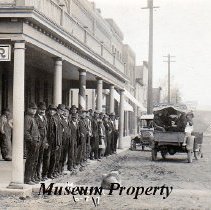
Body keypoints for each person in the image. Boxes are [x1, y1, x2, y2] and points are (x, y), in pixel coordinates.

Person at [24, 102, 40, 185]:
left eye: (35, 109)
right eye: (32, 109)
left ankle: (31, 177)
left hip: (35, 142)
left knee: (34, 161)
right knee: (30, 161)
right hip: (32, 143)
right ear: (28, 109)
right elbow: (26, 132)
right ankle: (27, 179)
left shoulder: (32, 118)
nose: (34, 111)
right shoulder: (27, 118)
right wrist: (31, 141)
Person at [34, 102, 48, 181]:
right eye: (41, 109)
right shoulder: (35, 118)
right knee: (36, 158)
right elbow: (35, 131)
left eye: (44, 110)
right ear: (38, 110)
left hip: (43, 141)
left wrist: (45, 141)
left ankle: (39, 174)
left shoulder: (44, 118)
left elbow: (45, 131)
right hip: (37, 141)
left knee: (40, 158)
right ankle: (35, 175)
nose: (42, 111)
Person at [46, 104, 60, 179]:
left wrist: (57, 143)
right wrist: (46, 141)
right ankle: (45, 173)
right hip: (48, 141)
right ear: (48, 111)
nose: (52, 111)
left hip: (54, 141)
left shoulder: (55, 119)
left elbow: (57, 132)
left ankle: (50, 173)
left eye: (53, 110)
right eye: (50, 110)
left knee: (53, 158)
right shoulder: (46, 118)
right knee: (47, 158)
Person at [60, 107, 71, 173]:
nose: (65, 113)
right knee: (61, 155)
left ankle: (62, 168)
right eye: (64, 111)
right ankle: (59, 169)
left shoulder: (68, 120)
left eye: (67, 112)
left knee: (64, 154)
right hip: (62, 140)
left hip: (67, 140)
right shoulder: (61, 120)